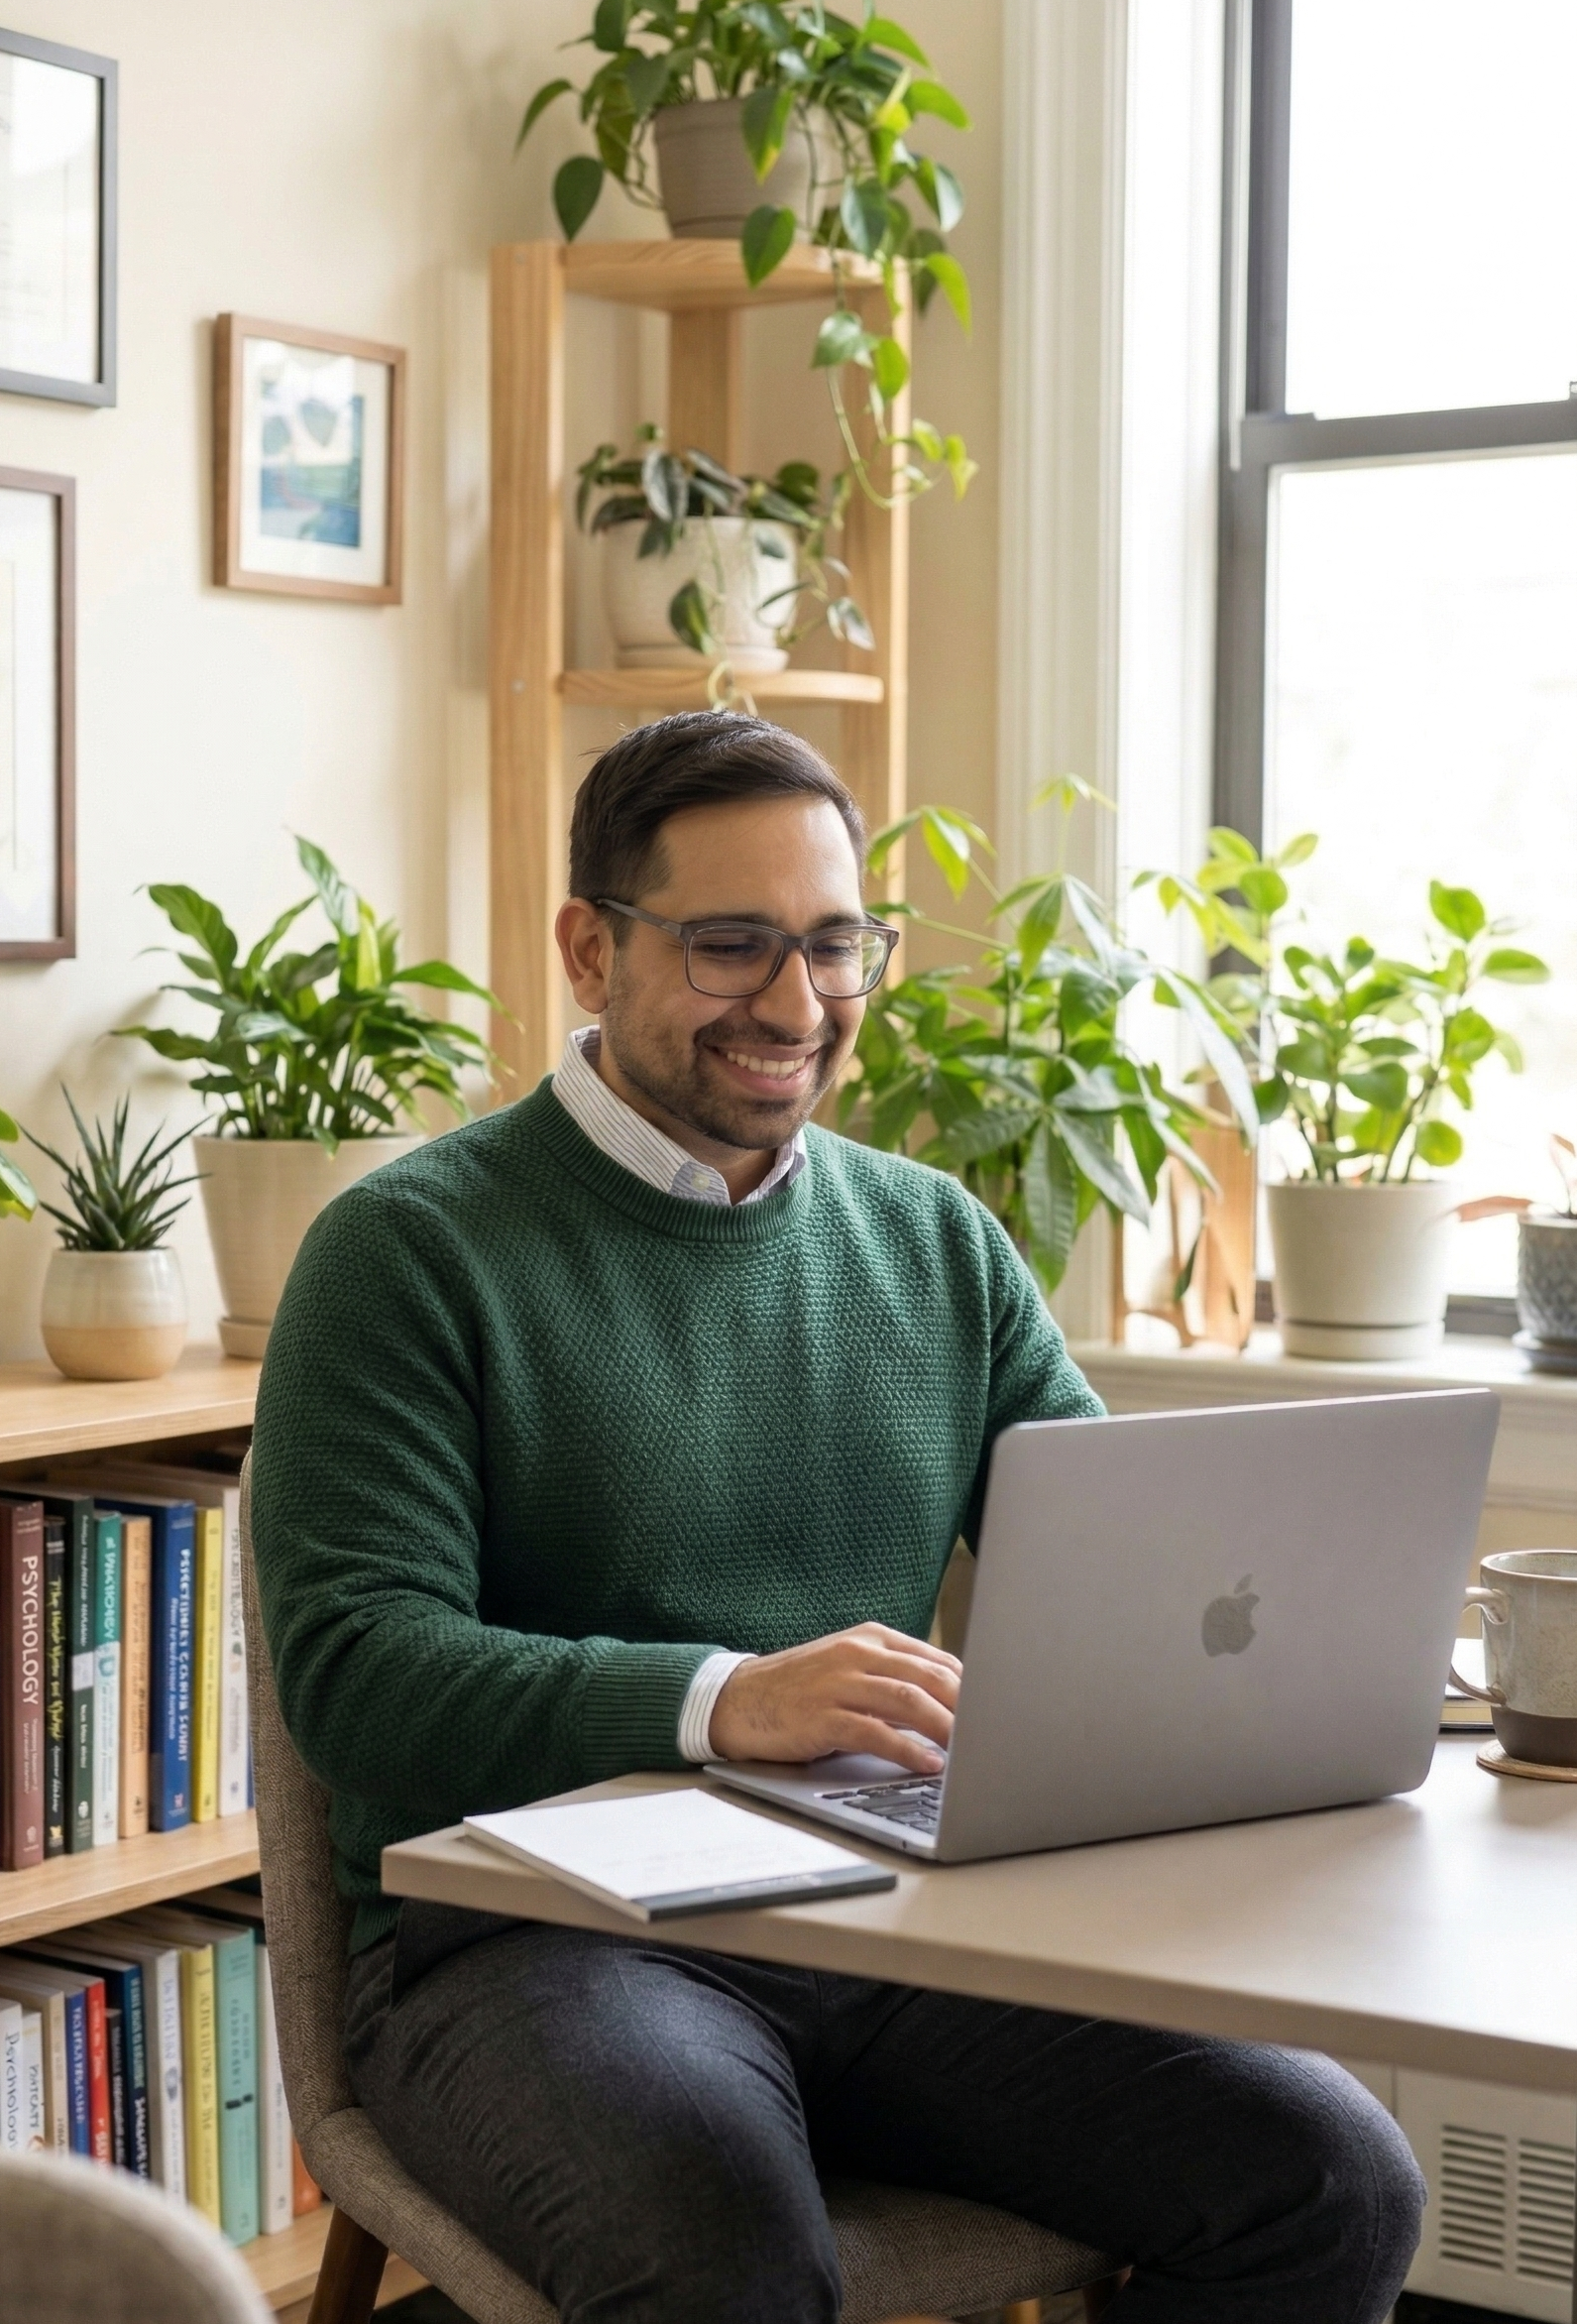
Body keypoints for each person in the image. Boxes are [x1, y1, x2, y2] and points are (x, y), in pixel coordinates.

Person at [252, 711, 1423, 2324]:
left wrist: (1328, 1665)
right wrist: (726, 1698)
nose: (797, 1006)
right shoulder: (405, 1251)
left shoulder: (933, 1240)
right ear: (589, 950)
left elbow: (1118, 1585)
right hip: (532, 1945)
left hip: (903, 1931)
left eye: (833, 944)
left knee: (1334, 2181)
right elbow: (360, 1680)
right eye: (732, 946)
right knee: (715, 2252)